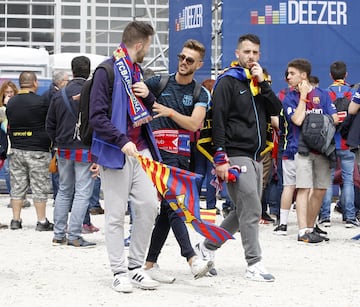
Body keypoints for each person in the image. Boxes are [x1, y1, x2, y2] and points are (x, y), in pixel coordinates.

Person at [195, 33, 281, 282]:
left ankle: (208, 247)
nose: (251, 56)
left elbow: (276, 109)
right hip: (234, 154)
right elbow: (218, 118)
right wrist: (220, 155)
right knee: (252, 209)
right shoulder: (227, 81)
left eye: (255, 52)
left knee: (244, 209)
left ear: (259, 55)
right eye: (247, 52)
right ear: (237, 53)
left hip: (256, 155)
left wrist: (262, 82)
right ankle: (254, 263)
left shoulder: (258, 83)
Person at [89, 21, 161, 293]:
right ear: (140, 44)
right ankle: (119, 271)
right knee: (115, 215)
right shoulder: (106, 71)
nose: (148, 50)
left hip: (141, 150)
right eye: (149, 45)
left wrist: (149, 94)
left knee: (147, 207)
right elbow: (97, 117)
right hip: (116, 151)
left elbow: (144, 110)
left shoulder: (136, 71)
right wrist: (121, 141)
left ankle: (135, 266)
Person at [142, 39, 213, 282]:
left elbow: (195, 124)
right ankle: (192, 258)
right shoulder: (159, 82)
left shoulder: (200, 92)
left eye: (189, 60)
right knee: (174, 205)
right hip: (158, 157)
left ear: (199, 64)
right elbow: (135, 95)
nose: (183, 62)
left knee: (167, 210)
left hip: (182, 156)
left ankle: (150, 264)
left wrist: (169, 112)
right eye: (181, 57)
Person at [282, 58, 338, 243]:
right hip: (300, 149)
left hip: (322, 150)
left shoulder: (322, 94)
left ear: (303, 75)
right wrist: (304, 98)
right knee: (303, 188)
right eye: (288, 73)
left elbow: (335, 118)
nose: (288, 77)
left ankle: (310, 227)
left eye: (292, 73)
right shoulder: (289, 97)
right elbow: (297, 120)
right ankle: (302, 231)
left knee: (321, 189)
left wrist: (316, 122)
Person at [46, 56, 98, 247]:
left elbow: (49, 125)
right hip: (85, 149)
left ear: (72, 70)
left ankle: (59, 234)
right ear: (89, 71)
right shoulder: (94, 93)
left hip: (63, 148)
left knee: (64, 190)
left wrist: (58, 142)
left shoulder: (59, 94)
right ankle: (74, 235)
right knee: (83, 192)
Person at [6, 71, 53, 230]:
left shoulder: (11, 103)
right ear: (35, 83)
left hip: (17, 149)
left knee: (17, 186)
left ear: (20, 84)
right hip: (38, 150)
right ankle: (41, 221)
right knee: (39, 187)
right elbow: (49, 123)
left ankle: (15, 220)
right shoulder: (41, 102)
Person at [319, 61, 358, 228]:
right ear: (346, 75)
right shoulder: (353, 92)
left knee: (327, 181)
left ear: (330, 76)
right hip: (348, 142)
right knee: (348, 180)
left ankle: (325, 217)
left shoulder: (325, 93)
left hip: (330, 143)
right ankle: (349, 218)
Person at [42, 70, 70, 204]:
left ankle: (58, 198)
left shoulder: (47, 94)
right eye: (67, 81)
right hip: (59, 139)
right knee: (59, 172)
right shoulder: (56, 96)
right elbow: (51, 121)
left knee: (58, 171)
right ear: (60, 82)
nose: (69, 84)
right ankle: (59, 199)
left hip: (55, 139)